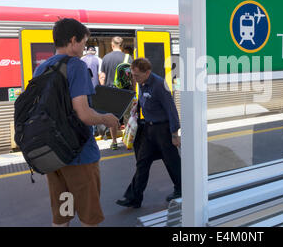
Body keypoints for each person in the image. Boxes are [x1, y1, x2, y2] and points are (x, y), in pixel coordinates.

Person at [33, 18, 120, 227]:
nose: (84, 48)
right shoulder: (76, 66)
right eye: (83, 43)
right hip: (79, 156)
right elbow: (83, 114)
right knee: (89, 216)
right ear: (73, 40)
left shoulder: (42, 68)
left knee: (63, 213)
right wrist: (106, 119)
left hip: (53, 156)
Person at [116, 58, 181, 208]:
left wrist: (174, 134)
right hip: (148, 130)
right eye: (133, 75)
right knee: (142, 162)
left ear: (148, 72)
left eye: (137, 75)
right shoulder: (141, 83)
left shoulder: (159, 85)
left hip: (163, 130)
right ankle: (134, 197)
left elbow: (171, 110)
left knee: (172, 162)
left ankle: (181, 189)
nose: (134, 78)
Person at [99, 36, 133, 150]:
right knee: (128, 117)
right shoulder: (128, 58)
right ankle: (128, 140)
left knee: (113, 118)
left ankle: (114, 142)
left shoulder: (106, 58)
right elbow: (132, 77)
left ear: (112, 45)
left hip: (111, 92)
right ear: (122, 46)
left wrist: (103, 90)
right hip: (126, 92)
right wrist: (133, 91)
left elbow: (102, 77)